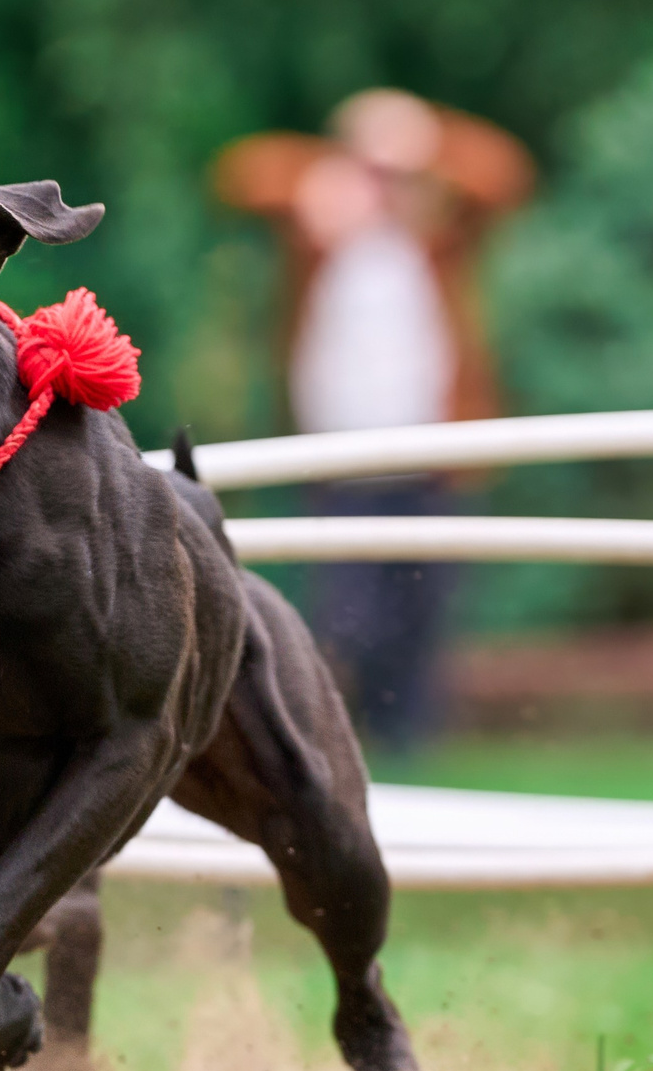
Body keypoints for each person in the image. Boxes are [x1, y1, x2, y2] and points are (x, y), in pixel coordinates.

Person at [212, 90, 533, 752]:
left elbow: (509, 173)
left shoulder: (443, 231)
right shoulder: (320, 228)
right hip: (341, 457)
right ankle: (337, 731)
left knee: (425, 605)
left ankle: (411, 741)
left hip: (438, 457)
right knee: (348, 611)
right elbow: (237, 174)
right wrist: (327, 176)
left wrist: (424, 144)